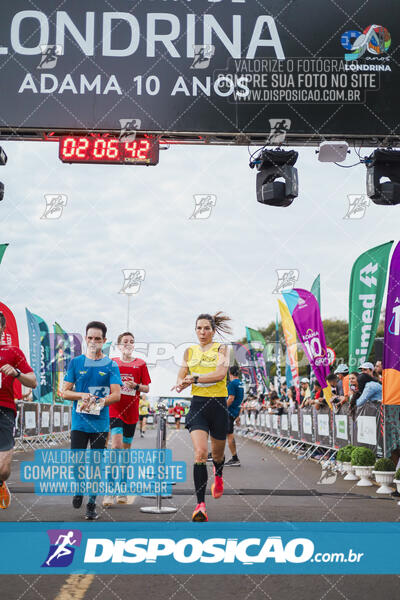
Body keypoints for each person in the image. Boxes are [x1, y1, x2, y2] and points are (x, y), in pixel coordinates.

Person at [173, 312, 231, 522]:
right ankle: (200, 505)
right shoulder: (190, 351)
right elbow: (181, 375)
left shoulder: (222, 349)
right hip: (198, 405)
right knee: (200, 452)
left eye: (206, 328)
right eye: (199, 328)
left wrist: (194, 377)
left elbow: (220, 374)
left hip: (218, 405)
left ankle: (218, 474)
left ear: (213, 331)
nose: (202, 332)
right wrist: (181, 383)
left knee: (216, 455)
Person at [63, 321, 122, 520]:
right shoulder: (76, 362)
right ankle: (79, 488)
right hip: (79, 422)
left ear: (104, 341)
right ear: (86, 338)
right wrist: (82, 396)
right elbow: (63, 391)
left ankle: (91, 504)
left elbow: (117, 395)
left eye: (98, 338)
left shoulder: (111, 365)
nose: (94, 341)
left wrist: (99, 401)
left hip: (100, 424)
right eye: (90, 338)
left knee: (96, 465)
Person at [103, 331, 151, 508]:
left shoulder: (141, 364)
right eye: (125, 341)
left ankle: (122, 487)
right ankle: (109, 490)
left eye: (131, 341)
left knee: (125, 450)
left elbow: (146, 388)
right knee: (115, 446)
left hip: (132, 411)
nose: (128, 344)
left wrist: (136, 385)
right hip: (115, 409)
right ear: (119, 345)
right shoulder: (112, 363)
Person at [0, 311, 37, 509]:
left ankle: (1, 482)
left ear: (2, 328)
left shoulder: (12, 352)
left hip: (4, 409)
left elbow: (33, 381)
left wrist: (16, 372)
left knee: (4, 469)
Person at [225, 366, 244, 467]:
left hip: (229, 411)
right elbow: (241, 400)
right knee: (224, 433)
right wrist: (238, 415)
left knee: (229, 434)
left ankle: (235, 458)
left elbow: (231, 398)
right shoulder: (240, 383)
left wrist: (222, 408)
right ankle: (215, 454)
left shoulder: (232, 383)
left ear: (230, 374)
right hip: (235, 411)